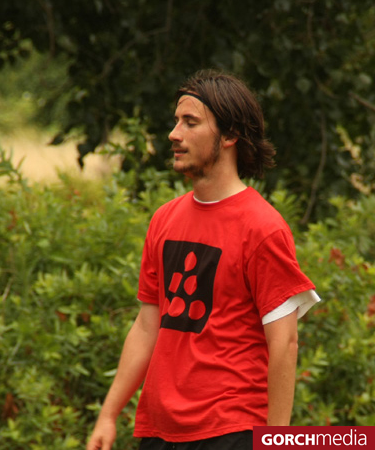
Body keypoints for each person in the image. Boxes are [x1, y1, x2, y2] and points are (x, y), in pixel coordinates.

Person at [86, 70, 320, 450]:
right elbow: (146, 326)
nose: (173, 134)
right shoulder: (164, 219)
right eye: (176, 120)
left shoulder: (262, 228)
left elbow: (285, 343)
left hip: (230, 430)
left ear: (229, 136)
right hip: (159, 431)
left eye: (190, 122)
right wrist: (109, 414)